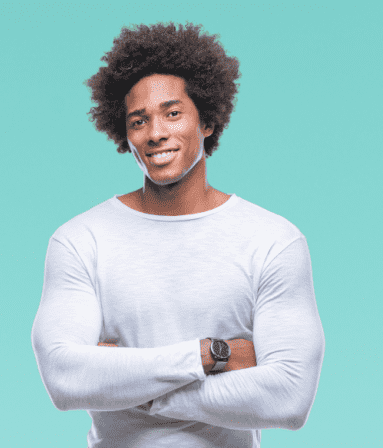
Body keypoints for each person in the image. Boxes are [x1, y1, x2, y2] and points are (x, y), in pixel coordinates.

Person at [30, 22, 325, 448]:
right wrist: (211, 354)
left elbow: (289, 399)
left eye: (172, 113)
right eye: (138, 120)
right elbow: (65, 380)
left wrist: (131, 384)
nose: (155, 134)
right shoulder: (80, 240)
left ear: (206, 120)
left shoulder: (273, 241)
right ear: (124, 134)